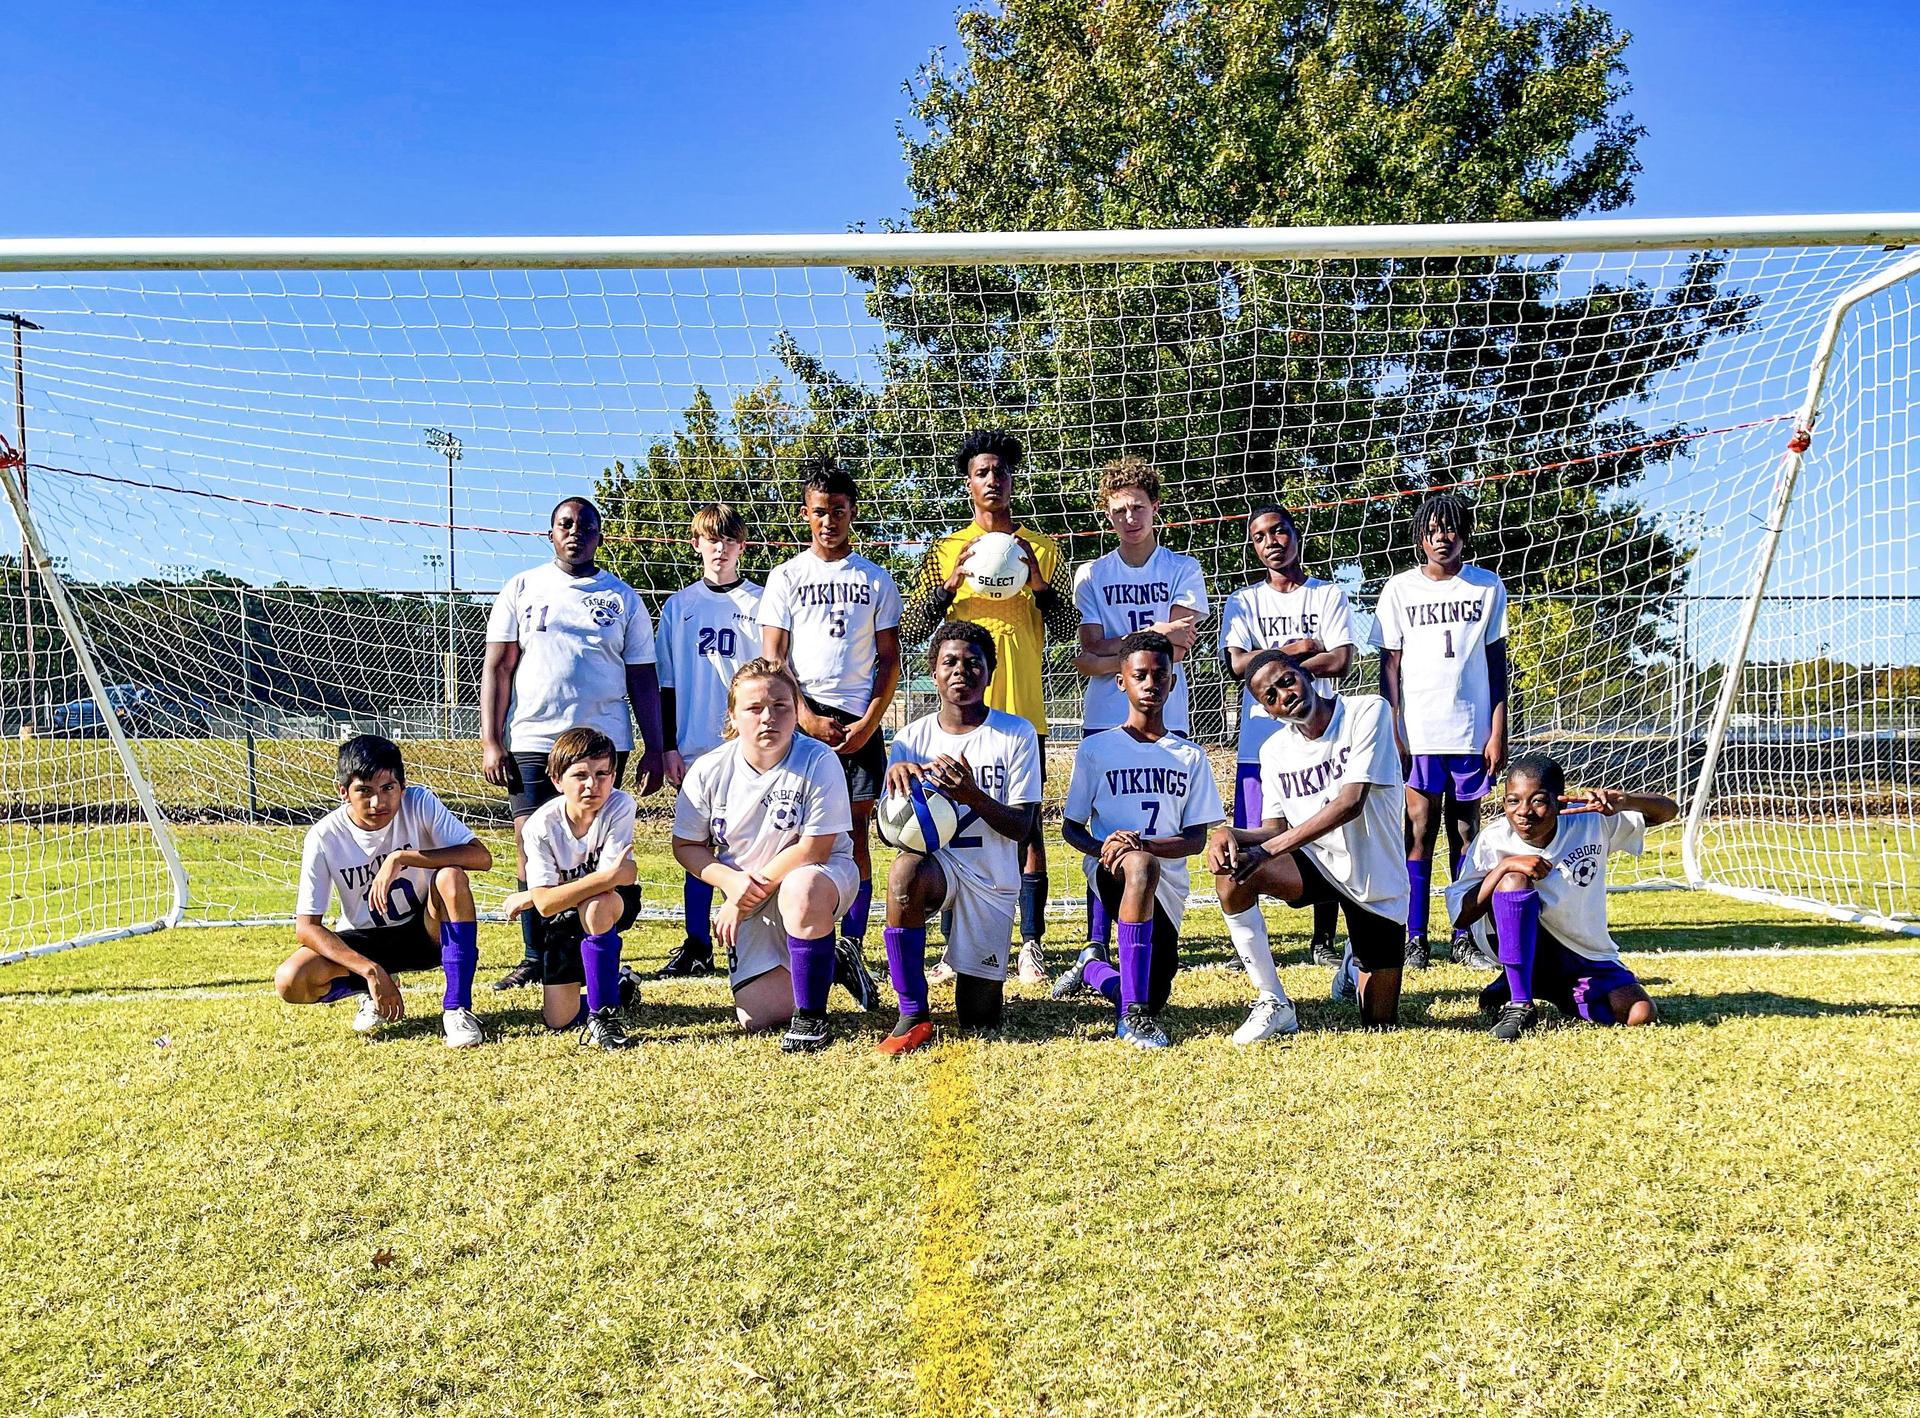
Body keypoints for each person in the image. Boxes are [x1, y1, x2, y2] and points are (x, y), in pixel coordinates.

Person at [898, 430, 1075, 985]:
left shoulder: (1042, 549)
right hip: (956, 721)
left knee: (1027, 830)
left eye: (1000, 471)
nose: (992, 480)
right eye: (981, 472)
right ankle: (956, 942)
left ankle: (1032, 945)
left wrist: (1041, 587)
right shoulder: (946, 551)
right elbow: (914, 627)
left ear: (1011, 478)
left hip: (1022, 711)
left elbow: (1067, 626)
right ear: (968, 483)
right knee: (947, 823)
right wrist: (949, 585)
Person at [481, 495, 664, 990]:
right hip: (534, 738)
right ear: (550, 532)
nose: (574, 532)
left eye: (585, 525)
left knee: (595, 848)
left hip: (603, 745)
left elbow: (643, 677)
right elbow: (498, 666)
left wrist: (654, 744)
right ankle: (536, 955)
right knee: (529, 844)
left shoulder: (622, 598)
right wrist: (491, 740)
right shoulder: (521, 587)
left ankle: (600, 951)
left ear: (599, 536)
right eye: (565, 523)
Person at [1206, 652, 1411, 1035]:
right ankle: (1273, 999)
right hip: (1316, 864)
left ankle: (1354, 964)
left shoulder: (1368, 711)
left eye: (1286, 681)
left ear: (1307, 674)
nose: (1283, 695)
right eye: (1270, 696)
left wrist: (1268, 849)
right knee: (1235, 874)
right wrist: (1228, 833)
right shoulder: (1273, 751)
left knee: (1379, 1023)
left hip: (1375, 880)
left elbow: (1350, 803)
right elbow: (1273, 829)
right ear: (1268, 711)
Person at [758, 458, 900, 1010]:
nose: (828, 521)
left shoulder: (874, 578)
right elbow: (774, 656)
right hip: (805, 714)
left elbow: (889, 659)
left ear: (852, 513)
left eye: (838, 511)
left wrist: (870, 721)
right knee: (795, 833)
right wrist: (804, 716)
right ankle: (793, 933)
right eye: (819, 512)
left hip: (859, 716)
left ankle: (853, 946)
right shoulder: (787, 576)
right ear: (805, 514)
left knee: (858, 834)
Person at [672, 659, 865, 1052]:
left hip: (819, 878)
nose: (768, 717)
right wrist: (730, 883)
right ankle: (832, 960)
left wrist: (743, 897)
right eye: (754, 708)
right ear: (733, 715)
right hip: (750, 894)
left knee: (801, 886)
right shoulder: (709, 770)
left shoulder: (818, 759)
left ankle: (812, 1018)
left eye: (781, 706)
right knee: (757, 1018)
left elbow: (815, 848)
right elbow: (686, 846)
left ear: (796, 710)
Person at [1052, 630, 1224, 1049]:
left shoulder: (1190, 756)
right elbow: (1071, 827)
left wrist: (1145, 845)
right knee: (1138, 865)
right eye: (1140, 675)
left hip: (1166, 884)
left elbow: (1195, 839)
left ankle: (1094, 968)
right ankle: (1132, 1018)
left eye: (1159, 675)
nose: (1150, 684)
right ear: (1121, 680)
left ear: (1173, 681)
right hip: (1112, 870)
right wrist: (1105, 849)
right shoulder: (1096, 749)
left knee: (1155, 991)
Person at [879, 621, 1043, 1055]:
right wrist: (894, 781)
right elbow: (886, 833)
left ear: (990, 673)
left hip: (991, 880)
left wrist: (972, 794)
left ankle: (976, 980)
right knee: (904, 871)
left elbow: (1023, 828)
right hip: (940, 868)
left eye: (974, 663)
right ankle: (912, 1013)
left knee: (980, 1018)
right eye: (949, 662)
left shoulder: (1017, 734)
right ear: (933, 671)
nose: (961, 671)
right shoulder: (911, 739)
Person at [1071, 457, 1210, 963]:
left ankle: (1157, 926)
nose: (1128, 518)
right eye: (1117, 511)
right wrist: (1148, 642)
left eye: (1137, 507)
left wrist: (1118, 650)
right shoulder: (1092, 574)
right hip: (1105, 715)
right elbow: (1085, 656)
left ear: (1155, 508)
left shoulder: (1182, 568)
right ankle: (1094, 944)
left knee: (1160, 825)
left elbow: (1183, 641)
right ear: (1106, 515)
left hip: (1165, 715)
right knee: (1104, 827)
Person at [275, 735, 494, 1048]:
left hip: (425, 932)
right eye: (364, 791)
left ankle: (457, 1009)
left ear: (402, 787)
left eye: (388, 788)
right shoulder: (323, 836)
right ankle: (369, 991)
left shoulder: (419, 803)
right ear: (343, 793)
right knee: (290, 981)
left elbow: (481, 857)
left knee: (450, 877)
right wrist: (370, 970)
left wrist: (403, 857)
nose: (378, 802)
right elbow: (307, 928)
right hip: (365, 942)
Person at [1370, 491, 1509, 971]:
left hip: (1470, 733)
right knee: (1418, 831)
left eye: (1450, 529)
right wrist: (1394, 727)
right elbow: (1389, 666)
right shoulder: (1399, 590)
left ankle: (1464, 933)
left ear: (1464, 535)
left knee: (1466, 832)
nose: (1441, 537)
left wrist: (1498, 728)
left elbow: (1497, 665)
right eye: (1432, 530)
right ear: (1420, 538)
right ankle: (1414, 936)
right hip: (1419, 732)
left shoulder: (1487, 587)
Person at [1445, 754, 1675, 1041]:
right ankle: (1519, 1002)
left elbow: (1668, 810)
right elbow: (1461, 916)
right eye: (1512, 801)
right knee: (1513, 881)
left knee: (1638, 1013)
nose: (1523, 812)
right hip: (1514, 940)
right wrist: (1505, 866)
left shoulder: (1591, 820)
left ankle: (1549, 988)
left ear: (1560, 800)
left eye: (1538, 801)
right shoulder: (1494, 839)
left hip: (1583, 951)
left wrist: (1626, 801)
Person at [1219, 505, 1357, 968]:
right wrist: (1298, 651)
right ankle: (1250, 938)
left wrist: (1269, 664)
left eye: (1279, 531)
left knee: (1324, 833)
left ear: (1295, 535)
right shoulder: (1242, 601)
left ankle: (1323, 940)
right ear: (1253, 548)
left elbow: (1341, 661)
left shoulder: (1329, 595)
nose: (1271, 541)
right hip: (1261, 743)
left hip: (1320, 740)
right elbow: (1237, 666)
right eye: (1259, 537)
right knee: (1258, 834)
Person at [654, 502, 764, 977]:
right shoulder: (679, 606)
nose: (719, 548)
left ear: (743, 546)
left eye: (729, 539)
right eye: (711, 539)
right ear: (696, 544)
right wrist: (667, 747)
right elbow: (666, 684)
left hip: (750, 747)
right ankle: (697, 943)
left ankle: (755, 937)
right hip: (694, 745)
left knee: (750, 844)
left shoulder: (762, 603)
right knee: (696, 844)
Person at [501, 727, 645, 1051]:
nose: (592, 784)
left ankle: (605, 1016)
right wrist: (540, 896)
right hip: (563, 914)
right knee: (558, 1019)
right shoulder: (540, 826)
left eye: (602, 773)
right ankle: (620, 988)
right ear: (556, 780)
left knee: (595, 905)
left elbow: (617, 882)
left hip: (614, 903)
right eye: (580, 775)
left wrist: (541, 894)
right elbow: (549, 907)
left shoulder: (620, 805)